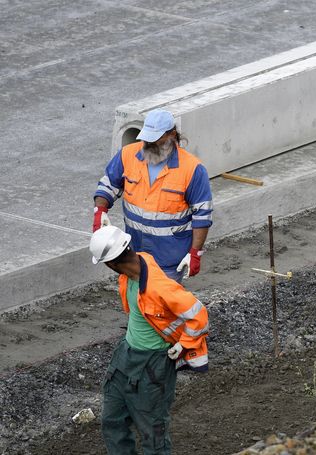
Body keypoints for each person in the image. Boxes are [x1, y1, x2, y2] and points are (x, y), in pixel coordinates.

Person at [89, 225, 209, 454]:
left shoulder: (159, 287)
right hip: (126, 355)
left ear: (111, 264)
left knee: (152, 431)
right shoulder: (138, 264)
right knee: (112, 420)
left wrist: (184, 344)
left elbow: (199, 315)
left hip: (153, 364)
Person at [93, 108, 213, 282]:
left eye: (155, 140)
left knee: (161, 308)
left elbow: (202, 215)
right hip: (133, 255)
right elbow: (107, 185)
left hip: (168, 261)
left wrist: (195, 253)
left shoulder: (192, 169)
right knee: (135, 305)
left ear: (172, 135)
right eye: (146, 139)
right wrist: (100, 210)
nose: (148, 144)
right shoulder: (128, 155)